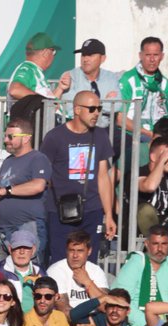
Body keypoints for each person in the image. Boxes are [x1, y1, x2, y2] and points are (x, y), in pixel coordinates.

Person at [39, 90, 117, 265]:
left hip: (92, 209)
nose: (96, 113)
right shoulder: (55, 137)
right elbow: (44, 174)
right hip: (61, 210)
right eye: (91, 108)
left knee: (90, 261)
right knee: (60, 261)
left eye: (99, 108)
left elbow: (103, 176)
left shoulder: (101, 135)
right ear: (77, 110)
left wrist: (109, 215)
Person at [113, 225, 168, 326]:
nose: (160, 249)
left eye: (164, 244)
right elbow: (120, 301)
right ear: (146, 244)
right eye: (155, 244)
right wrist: (148, 324)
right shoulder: (136, 262)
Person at [0, 118, 51, 254]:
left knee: (28, 271)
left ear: (26, 139)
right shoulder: (8, 161)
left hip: (27, 227)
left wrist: (7, 191)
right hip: (3, 229)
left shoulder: (38, 158)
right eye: (5, 136)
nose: (6, 140)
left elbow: (38, 185)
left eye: (10, 136)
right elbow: (0, 186)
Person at [117, 37, 168, 145]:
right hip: (132, 134)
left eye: (156, 55)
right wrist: (148, 133)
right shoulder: (128, 79)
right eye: (148, 55)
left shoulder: (164, 82)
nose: (152, 59)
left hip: (157, 134)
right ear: (140, 55)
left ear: (162, 56)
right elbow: (120, 119)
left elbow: (165, 113)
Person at [59, 39, 121, 130]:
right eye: (83, 55)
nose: (85, 59)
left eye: (90, 55)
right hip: (78, 130)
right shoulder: (71, 76)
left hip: (104, 130)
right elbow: (71, 109)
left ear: (102, 58)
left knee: (130, 142)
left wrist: (86, 106)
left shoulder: (110, 77)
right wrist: (103, 103)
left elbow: (117, 106)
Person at [48, 230, 110, 306]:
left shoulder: (96, 271)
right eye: (71, 250)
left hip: (94, 316)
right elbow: (64, 310)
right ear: (66, 251)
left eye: (80, 251)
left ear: (89, 251)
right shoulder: (56, 271)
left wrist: (87, 282)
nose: (75, 255)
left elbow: (105, 306)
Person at [8, 32, 68, 101]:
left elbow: (50, 104)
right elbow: (15, 90)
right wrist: (42, 101)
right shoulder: (27, 69)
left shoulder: (35, 71)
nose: (53, 56)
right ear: (45, 53)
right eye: (53, 51)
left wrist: (60, 88)